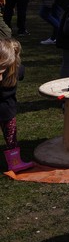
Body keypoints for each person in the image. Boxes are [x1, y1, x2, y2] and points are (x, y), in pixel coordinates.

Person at [0, 37, 33, 172]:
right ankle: (15, 162)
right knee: (11, 136)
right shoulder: (17, 69)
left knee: (11, 137)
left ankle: (15, 163)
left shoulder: (15, 69)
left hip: (7, 112)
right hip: (8, 110)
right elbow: (22, 72)